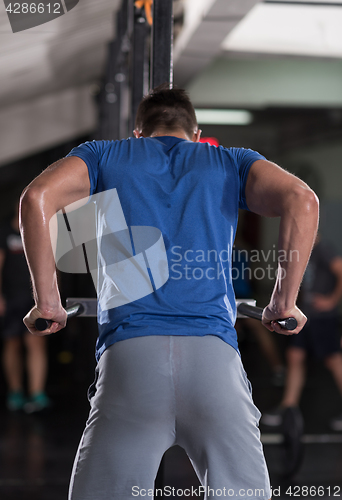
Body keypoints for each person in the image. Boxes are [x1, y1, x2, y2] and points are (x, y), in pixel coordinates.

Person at [20, 85, 318, 500]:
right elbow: (302, 199)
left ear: (138, 132)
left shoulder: (104, 155)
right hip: (215, 364)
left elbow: (36, 197)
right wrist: (283, 302)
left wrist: (48, 302)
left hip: (130, 361)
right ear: (196, 133)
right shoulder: (229, 160)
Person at [262, 234, 342, 430]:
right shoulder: (301, 251)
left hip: (322, 318)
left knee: (333, 360)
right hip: (306, 316)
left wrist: (331, 300)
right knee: (294, 356)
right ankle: (288, 407)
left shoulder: (323, 249)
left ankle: (288, 407)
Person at [0, 203, 50, 413]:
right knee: (13, 344)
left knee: (35, 342)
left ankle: (37, 393)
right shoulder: (4, 232)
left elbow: (50, 263)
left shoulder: (39, 230)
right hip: (10, 298)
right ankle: (15, 391)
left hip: (34, 299)